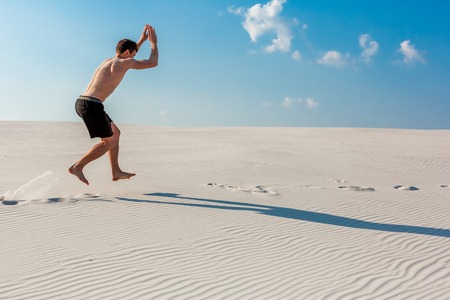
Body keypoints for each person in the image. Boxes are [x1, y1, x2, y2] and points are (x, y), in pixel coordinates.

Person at [69, 24, 159, 185]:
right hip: (92, 105)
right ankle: (78, 167)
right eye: (133, 53)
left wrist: (142, 40)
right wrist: (153, 43)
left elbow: (129, 53)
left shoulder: (109, 60)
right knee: (109, 142)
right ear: (127, 53)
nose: (134, 56)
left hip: (84, 101)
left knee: (115, 134)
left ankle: (116, 171)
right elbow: (153, 63)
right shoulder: (124, 63)